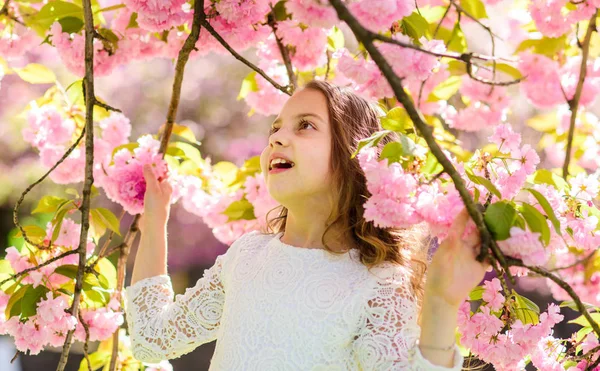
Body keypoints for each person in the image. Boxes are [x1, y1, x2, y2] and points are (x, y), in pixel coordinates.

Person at [125, 80, 490, 370]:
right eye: (276, 127)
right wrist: (154, 222)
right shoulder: (246, 257)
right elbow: (151, 339)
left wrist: (441, 303)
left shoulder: (377, 281)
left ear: (356, 154)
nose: (277, 138)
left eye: (305, 126)